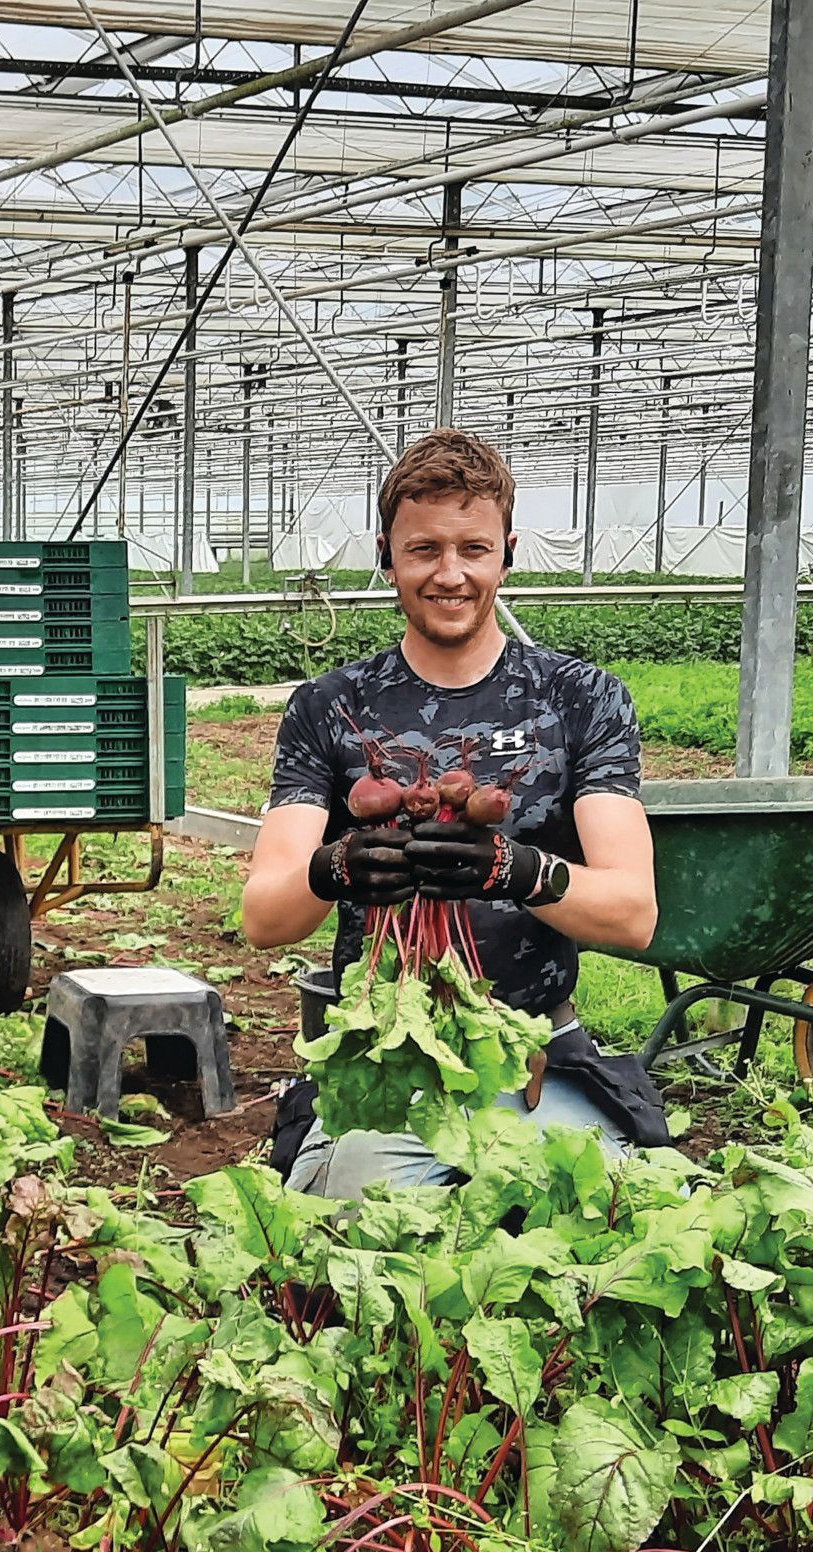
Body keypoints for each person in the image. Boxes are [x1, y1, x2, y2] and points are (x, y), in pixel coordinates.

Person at [241, 430, 665, 1196]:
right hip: (387, 1066)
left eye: (473, 548)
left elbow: (635, 913)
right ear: (386, 553)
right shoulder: (330, 707)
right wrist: (334, 867)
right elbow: (266, 917)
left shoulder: (581, 699)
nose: (450, 573)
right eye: (424, 549)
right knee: (359, 1257)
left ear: (507, 550)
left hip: (541, 1053)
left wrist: (517, 869)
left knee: (606, 1239)